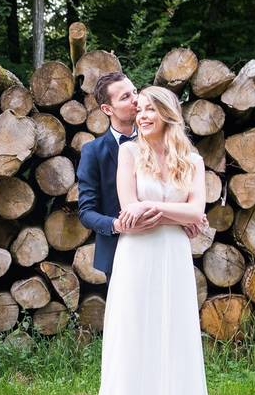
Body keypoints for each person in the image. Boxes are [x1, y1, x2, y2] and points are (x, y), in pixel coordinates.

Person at [80, 85, 255, 395]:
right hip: (135, 257)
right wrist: (180, 215)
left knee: (172, 341)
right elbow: (130, 208)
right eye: (140, 108)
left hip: (171, 259)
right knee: (133, 341)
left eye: (150, 109)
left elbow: (197, 209)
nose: (142, 114)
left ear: (168, 114)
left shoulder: (193, 161)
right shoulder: (130, 154)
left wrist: (170, 212)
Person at [76, 73, 204, 288]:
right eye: (126, 97)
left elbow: (185, 197)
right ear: (108, 109)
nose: (136, 100)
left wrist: (191, 217)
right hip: (119, 249)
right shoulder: (93, 152)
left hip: (168, 246)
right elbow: (86, 211)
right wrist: (118, 225)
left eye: (135, 91)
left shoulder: (173, 148)